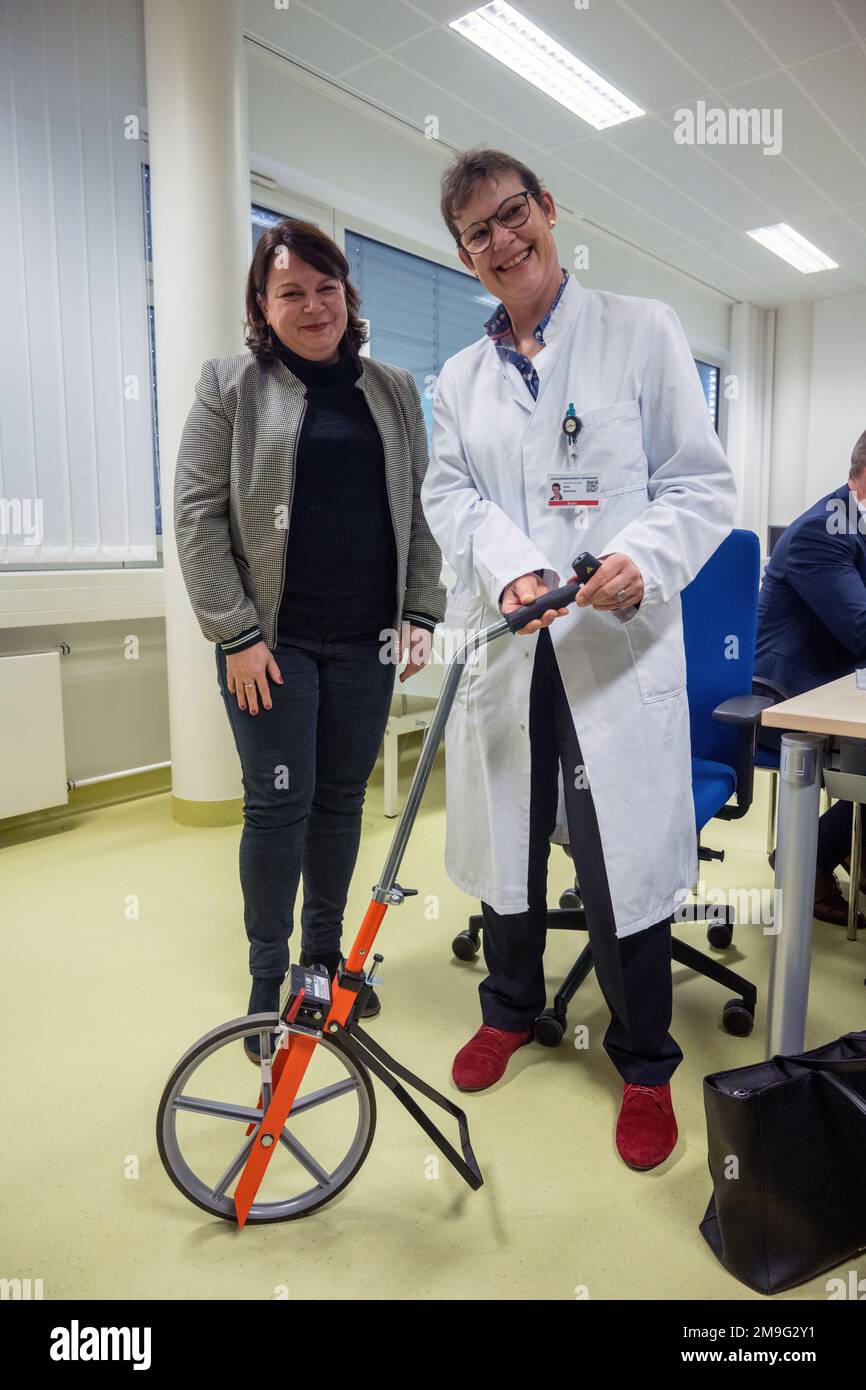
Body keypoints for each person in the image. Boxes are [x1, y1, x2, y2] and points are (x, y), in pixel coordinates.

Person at [421, 149, 736, 1171]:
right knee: (509, 838)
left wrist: (637, 564)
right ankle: (508, 1006)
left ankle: (644, 1061)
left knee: (614, 855)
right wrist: (511, 569)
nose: (503, 240)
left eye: (514, 214)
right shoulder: (459, 380)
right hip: (516, 649)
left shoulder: (639, 333)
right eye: (478, 232)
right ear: (465, 257)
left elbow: (696, 487)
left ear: (548, 211)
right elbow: (448, 497)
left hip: (611, 644)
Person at [174, 218, 444, 1061]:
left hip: (365, 639)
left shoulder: (393, 389)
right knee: (278, 803)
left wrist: (421, 610)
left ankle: (323, 964)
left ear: (347, 297)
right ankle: (268, 976)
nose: (314, 305)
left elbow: (422, 507)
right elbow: (195, 518)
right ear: (263, 303)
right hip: (273, 644)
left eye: (327, 288)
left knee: (340, 800)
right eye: (292, 291)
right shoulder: (231, 386)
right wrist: (237, 635)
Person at [755, 429, 866, 929]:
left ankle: (852, 852)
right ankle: (812, 857)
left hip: (839, 682)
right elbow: (862, 629)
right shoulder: (823, 532)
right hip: (789, 690)